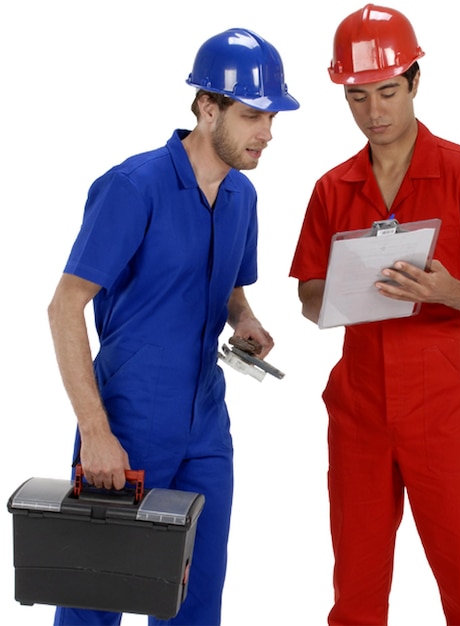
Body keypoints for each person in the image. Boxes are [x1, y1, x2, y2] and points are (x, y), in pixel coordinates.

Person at [48, 28, 299, 626]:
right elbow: (64, 306)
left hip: (206, 424)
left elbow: (232, 289)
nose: (267, 133)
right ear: (206, 106)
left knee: (195, 597)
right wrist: (96, 432)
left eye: (273, 117)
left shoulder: (242, 196)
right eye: (252, 115)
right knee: (96, 598)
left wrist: (246, 320)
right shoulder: (134, 187)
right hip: (129, 420)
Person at [289, 5, 460, 626]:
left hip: (442, 408)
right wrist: (340, 294)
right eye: (358, 97)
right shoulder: (331, 188)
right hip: (359, 408)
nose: (375, 112)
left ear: (416, 82)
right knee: (356, 597)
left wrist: (451, 291)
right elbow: (309, 295)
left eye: (388, 92)